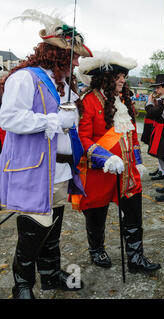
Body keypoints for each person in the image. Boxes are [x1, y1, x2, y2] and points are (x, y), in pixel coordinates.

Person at [0, 11, 91, 299]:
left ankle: (51, 275)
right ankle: (22, 285)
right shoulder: (25, 78)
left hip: (60, 169)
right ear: (55, 54)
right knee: (32, 233)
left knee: (53, 228)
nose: (77, 62)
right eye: (73, 56)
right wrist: (51, 122)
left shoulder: (63, 86)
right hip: (33, 169)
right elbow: (10, 118)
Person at [73, 50, 161, 273]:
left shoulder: (123, 101)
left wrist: (137, 160)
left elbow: (129, 134)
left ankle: (135, 257)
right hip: (98, 170)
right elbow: (82, 137)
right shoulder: (88, 101)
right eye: (118, 76)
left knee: (133, 214)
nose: (123, 79)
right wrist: (106, 157)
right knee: (96, 213)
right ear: (105, 78)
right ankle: (96, 249)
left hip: (127, 170)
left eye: (124, 76)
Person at [143, 74, 164, 201]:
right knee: (163, 161)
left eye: (158, 88)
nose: (156, 90)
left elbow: (152, 113)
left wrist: (149, 103)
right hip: (161, 131)